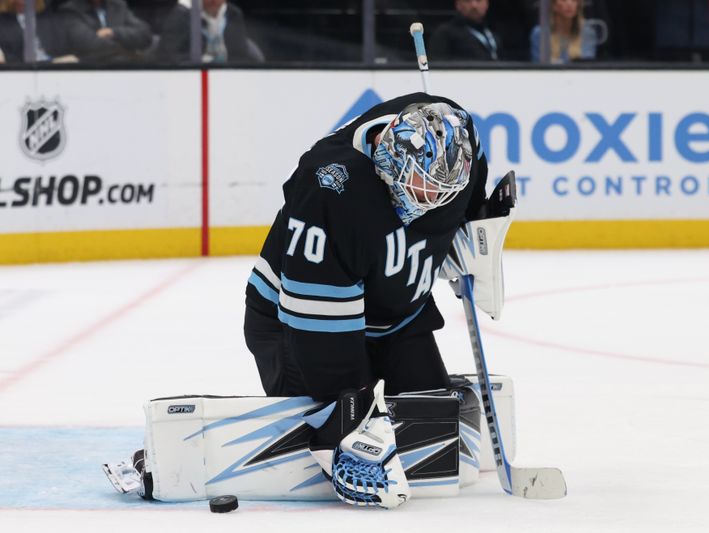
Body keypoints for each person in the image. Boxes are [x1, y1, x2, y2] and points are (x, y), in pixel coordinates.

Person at [244, 93, 488, 508]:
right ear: (390, 163)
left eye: (443, 192)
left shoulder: (461, 149)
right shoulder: (331, 187)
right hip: (297, 323)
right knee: (339, 417)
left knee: (433, 431)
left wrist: (478, 229)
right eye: (422, 186)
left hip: (397, 317)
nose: (431, 200)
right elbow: (315, 321)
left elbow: (469, 197)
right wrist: (344, 416)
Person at [156, 0, 262, 63]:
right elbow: (170, 58)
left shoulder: (233, 14)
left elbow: (239, 56)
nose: (214, 1)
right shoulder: (180, 16)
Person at [60, 0, 153, 63]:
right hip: (90, 71)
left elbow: (145, 34)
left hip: (125, 69)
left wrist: (113, 32)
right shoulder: (70, 10)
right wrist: (129, 52)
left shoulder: (117, 5)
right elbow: (89, 45)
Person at [0, 0, 76, 64]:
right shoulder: (3, 23)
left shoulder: (49, 19)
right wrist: (50, 63)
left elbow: (62, 49)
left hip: (56, 71)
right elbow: (9, 58)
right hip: (22, 73)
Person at [429, 0, 501, 61]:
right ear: (458, 4)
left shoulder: (494, 33)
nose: (474, 5)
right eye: (467, 1)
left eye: (478, 0)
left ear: (487, 4)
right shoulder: (444, 33)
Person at [530, 0, 597, 63]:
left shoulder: (587, 33)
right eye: (563, 0)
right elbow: (539, 66)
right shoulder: (540, 33)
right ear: (554, 5)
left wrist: (555, 62)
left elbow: (586, 64)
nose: (569, 3)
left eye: (574, 0)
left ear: (578, 5)